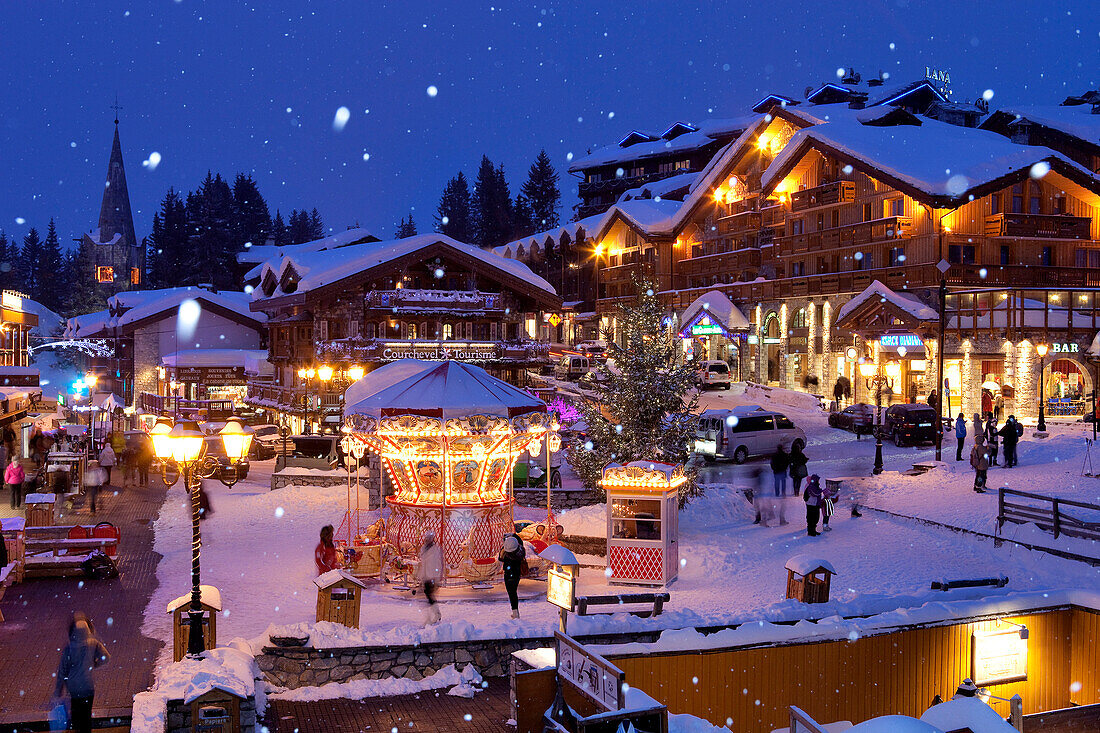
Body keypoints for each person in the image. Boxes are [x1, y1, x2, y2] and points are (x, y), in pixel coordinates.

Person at [53, 612, 109, 733]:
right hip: (88, 687)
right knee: (86, 716)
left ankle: (77, 728)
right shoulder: (93, 644)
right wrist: (95, 664)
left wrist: (58, 689)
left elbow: (62, 671)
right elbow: (106, 657)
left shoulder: (68, 648)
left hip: (74, 688)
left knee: (76, 715)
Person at [418, 532, 444, 625]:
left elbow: (439, 563)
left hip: (432, 576)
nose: (427, 539)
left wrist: (438, 576)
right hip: (425, 576)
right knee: (428, 597)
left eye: (429, 537)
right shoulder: (423, 548)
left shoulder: (436, 549)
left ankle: (430, 618)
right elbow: (423, 563)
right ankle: (436, 614)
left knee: (428, 596)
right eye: (426, 537)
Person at [498, 533, 526, 619]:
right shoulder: (521, 551)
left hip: (509, 575)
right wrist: (514, 535)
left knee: (511, 593)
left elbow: (500, 558)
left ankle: (515, 613)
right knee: (514, 593)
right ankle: (515, 612)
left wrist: (506, 540)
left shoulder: (507, 556)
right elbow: (520, 541)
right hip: (517, 574)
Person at [770, 446, 790, 525]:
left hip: (776, 471)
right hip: (782, 471)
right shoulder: (785, 455)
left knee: (777, 482)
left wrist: (774, 469)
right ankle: (783, 493)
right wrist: (784, 468)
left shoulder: (774, 455)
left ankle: (777, 492)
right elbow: (787, 462)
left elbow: (772, 463)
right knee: (783, 482)